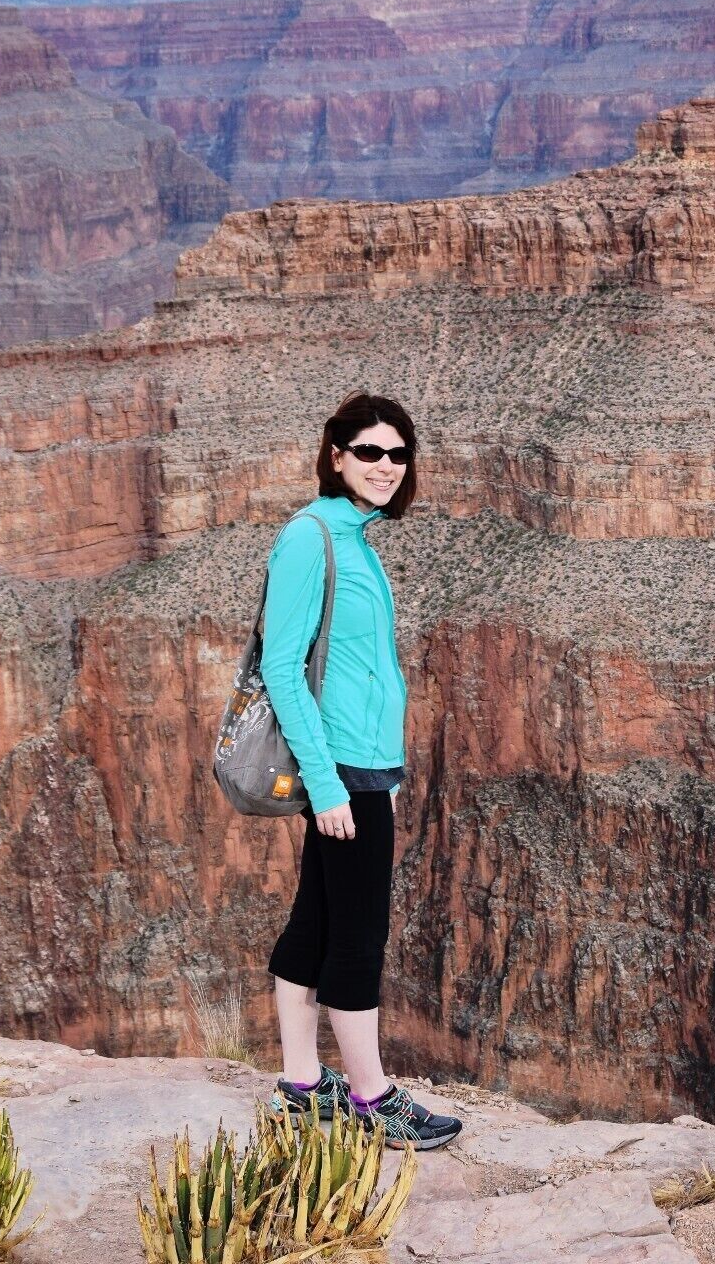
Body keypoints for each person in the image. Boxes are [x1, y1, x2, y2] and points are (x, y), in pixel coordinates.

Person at [259, 391, 461, 1150]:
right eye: (370, 451)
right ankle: (373, 1099)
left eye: (398, 454)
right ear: (336, 455)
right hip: (342, 770)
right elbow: (282, 668)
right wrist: (327, 785)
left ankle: (301, 1086)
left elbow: (364, 668)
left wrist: (387, 777)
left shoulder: (354, 534)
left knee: (316, 920)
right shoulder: (311, 537)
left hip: (365, 768)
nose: (386, 466)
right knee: (358, 935)